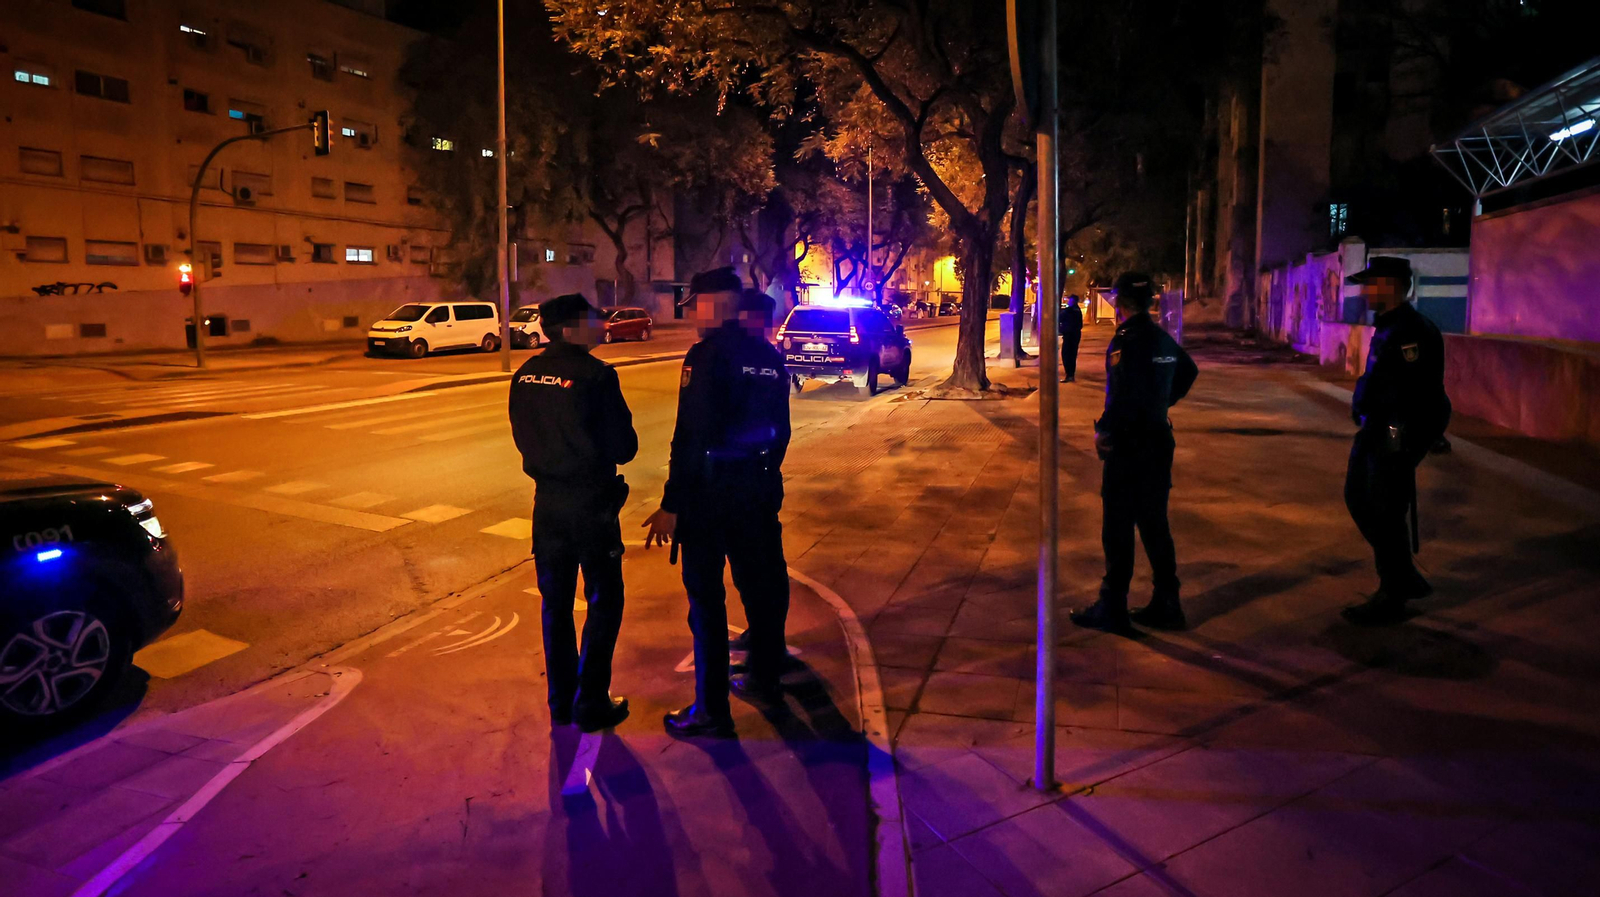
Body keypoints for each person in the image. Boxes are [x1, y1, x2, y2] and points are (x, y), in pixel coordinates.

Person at [643, 270, 792, 738]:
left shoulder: (706, 356)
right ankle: (766, 679)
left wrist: (672, 501)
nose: (689, 313)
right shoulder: (768, 355)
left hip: (711, 498)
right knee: (762, 590)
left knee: (706, 602)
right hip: (759, 492)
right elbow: (781, 431)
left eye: (695, 304)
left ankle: (711, 709)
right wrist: (764, 476)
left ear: (717, 303)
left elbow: (691, 435)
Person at [508, 293, 637, 732]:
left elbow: (522, 438)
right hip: (592, 507)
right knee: (605, 599)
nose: (602, 325)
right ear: (570, 328)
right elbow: (625, 448)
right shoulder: (596, 376)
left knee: (556, 604)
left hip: (547, 505)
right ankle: (592, 701)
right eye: (594, 320)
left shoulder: (525, 375)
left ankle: (561, 701)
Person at [1070, 272, 1199, 633]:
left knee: (1118, 526)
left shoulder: (1125, 341)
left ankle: (1113, 606)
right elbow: (1189, 371)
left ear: (1120, 303)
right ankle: (1167, 601)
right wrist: (1162, 404)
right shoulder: (1161, 338)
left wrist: (1104, 434)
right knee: (1155, 522)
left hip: (1129, 446)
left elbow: (1121, 396)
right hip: (1158, 440)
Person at [1341, 256, 1451, 626]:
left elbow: (1416, 393)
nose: (1365, 290)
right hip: (1378, 428)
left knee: (1385, 508)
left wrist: (1402, 439)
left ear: (1389, 285)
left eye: (1370, 283)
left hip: (1394, 432)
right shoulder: (1389, 325)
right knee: (1360, 498)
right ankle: (1401, 573)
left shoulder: (1412, 330)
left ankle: (1393, 591)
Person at [1060, 294, 1084, 383]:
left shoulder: (1069, 311)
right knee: (1072, 355)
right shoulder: (1077, 310)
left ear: (1073, 301)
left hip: (1069, 336)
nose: (1068, 301)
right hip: (1075, 335)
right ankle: (1070, 375)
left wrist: (1062, 329)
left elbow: (1060, 318)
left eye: (1070, 300)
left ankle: (1069, 375)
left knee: (1066, 355)